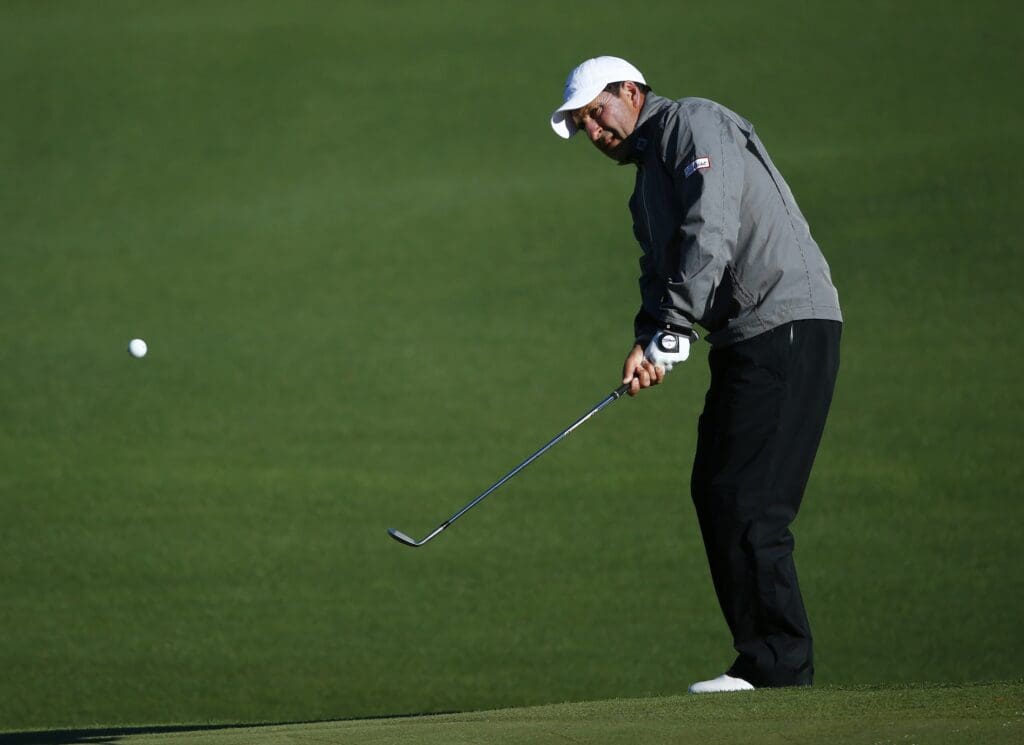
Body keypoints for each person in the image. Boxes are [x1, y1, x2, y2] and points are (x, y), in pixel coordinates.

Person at [550, 56, 842, 693]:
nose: (595, 133)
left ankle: (778, 668)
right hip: (746, 338)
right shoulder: (645, 187)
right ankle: (766, 662)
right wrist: (646, 339)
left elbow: (711, 227)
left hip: (786, 322)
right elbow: (662, 272)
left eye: (597, 114)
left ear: (632, 91)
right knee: (717, 488)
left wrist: (674, 328)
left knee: (748, 499)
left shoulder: (693, 123)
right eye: (582, 128)